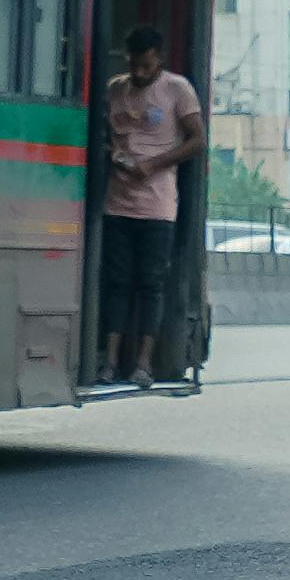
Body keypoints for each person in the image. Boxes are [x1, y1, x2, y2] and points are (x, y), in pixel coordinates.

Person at [90, 25, 203, 393]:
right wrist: (114, 157)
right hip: (117, 203)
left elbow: (197, 140)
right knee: (117, 282)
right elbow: (103, 136)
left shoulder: (177, 89)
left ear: (160, 60)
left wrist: (153, 165)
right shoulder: (115, 89)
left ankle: (143, 363)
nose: (139, 73)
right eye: (134, 65)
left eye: (146, 66)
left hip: (157, 208)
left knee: (150, 285)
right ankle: (109, 359)